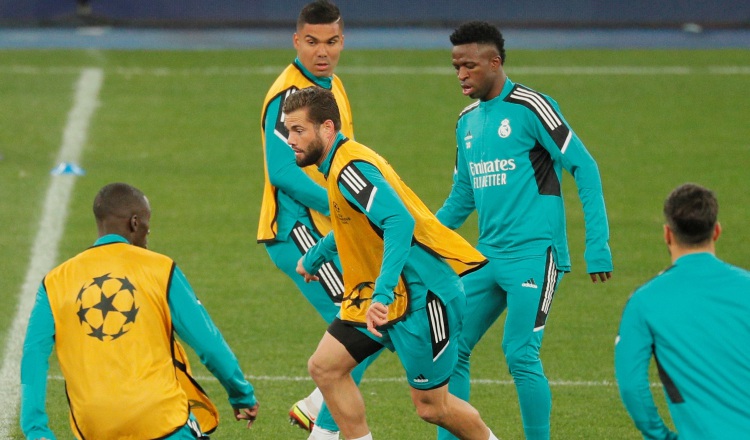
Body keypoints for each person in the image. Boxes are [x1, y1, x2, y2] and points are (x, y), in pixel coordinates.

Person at [286, 86, 500, 440]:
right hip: (381, 298)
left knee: (433, 407)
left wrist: (382, 295)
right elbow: (351, 222)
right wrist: (316, 256)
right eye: (289, 131)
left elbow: (399, 222)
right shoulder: (339, 164)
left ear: (326, 129)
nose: (291, 140)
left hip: (421, 299)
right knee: (325, 368)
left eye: (298, 131)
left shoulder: (350, 168)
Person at [435, 21, 613, 440]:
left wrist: (598, 245)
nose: (461, 74)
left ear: (495, 63)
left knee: (519, 354)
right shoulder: (465, 122)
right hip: (487, 256)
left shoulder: (533, 106)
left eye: (469, 66)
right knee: (452, 349)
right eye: (456, 66)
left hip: (536, 253)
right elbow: (462, 197)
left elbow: (583, 167)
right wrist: (420, 236)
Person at [20, 183, 259, 440]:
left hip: (95, 427)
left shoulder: (55, 282)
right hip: (160, 419)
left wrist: (36, 431)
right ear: (135, 223)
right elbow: (209, 344)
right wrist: (240, 393)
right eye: (147, 223)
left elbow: (33, 356)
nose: (148, 231)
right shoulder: (161, 269)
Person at [257, 1, 380, 438]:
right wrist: (341, 202)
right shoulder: (288, 96)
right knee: (361, 326)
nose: (321, 51)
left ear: (342, 42)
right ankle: (322, 426)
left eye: (330, 42)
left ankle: (316, 406)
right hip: (296, 231)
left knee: (368, 323)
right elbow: (284, 171)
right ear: (296, 41)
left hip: (326, 233)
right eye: (311, 42)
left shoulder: (332, 87)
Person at [615, 183, 750, 439]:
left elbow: (632, 386)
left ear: (667, 234)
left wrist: (659, 435)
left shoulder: (644, 302)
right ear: (717, 231)